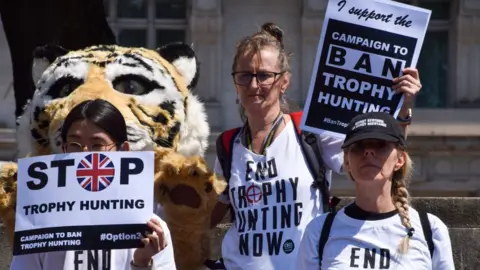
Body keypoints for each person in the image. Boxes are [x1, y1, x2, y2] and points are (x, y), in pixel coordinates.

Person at [208, 22, 422, 270]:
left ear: (284, 81)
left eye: (264, 75)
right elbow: (202, 220)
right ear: (235, 83)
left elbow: (379, 162)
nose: (254, 85)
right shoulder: (227, 145)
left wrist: (403, 109)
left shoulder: (310, 133)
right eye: (245, 76)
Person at [10, 99, 177, 270]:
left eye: (97, 145)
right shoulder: (39, 223)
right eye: (75, 145)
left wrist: (142, 263)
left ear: (123, 151)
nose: (85, 156)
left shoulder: (151, 230)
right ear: (64, 149)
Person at [295, 111, 455, 270]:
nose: (368, 152)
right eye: (358, 146)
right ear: (346, 161)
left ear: (400, 160)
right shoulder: (318, 231)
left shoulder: (431, 230)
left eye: (380, 145)